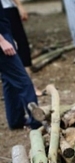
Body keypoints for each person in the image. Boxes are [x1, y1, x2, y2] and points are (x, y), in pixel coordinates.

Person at [0, 0, 41, 130]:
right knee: (24, 82)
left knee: (8, 80)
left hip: (5, 34)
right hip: (1, 40)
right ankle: (37, 122)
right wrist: (2, 41)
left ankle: (15, 120)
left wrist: (9, 38)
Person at [2, 0, 42, 96]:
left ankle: (24, 87)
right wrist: (19, 5)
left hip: (8, 9)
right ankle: (28, 87)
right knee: (18, 47)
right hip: (6, 11)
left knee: (19, 47)